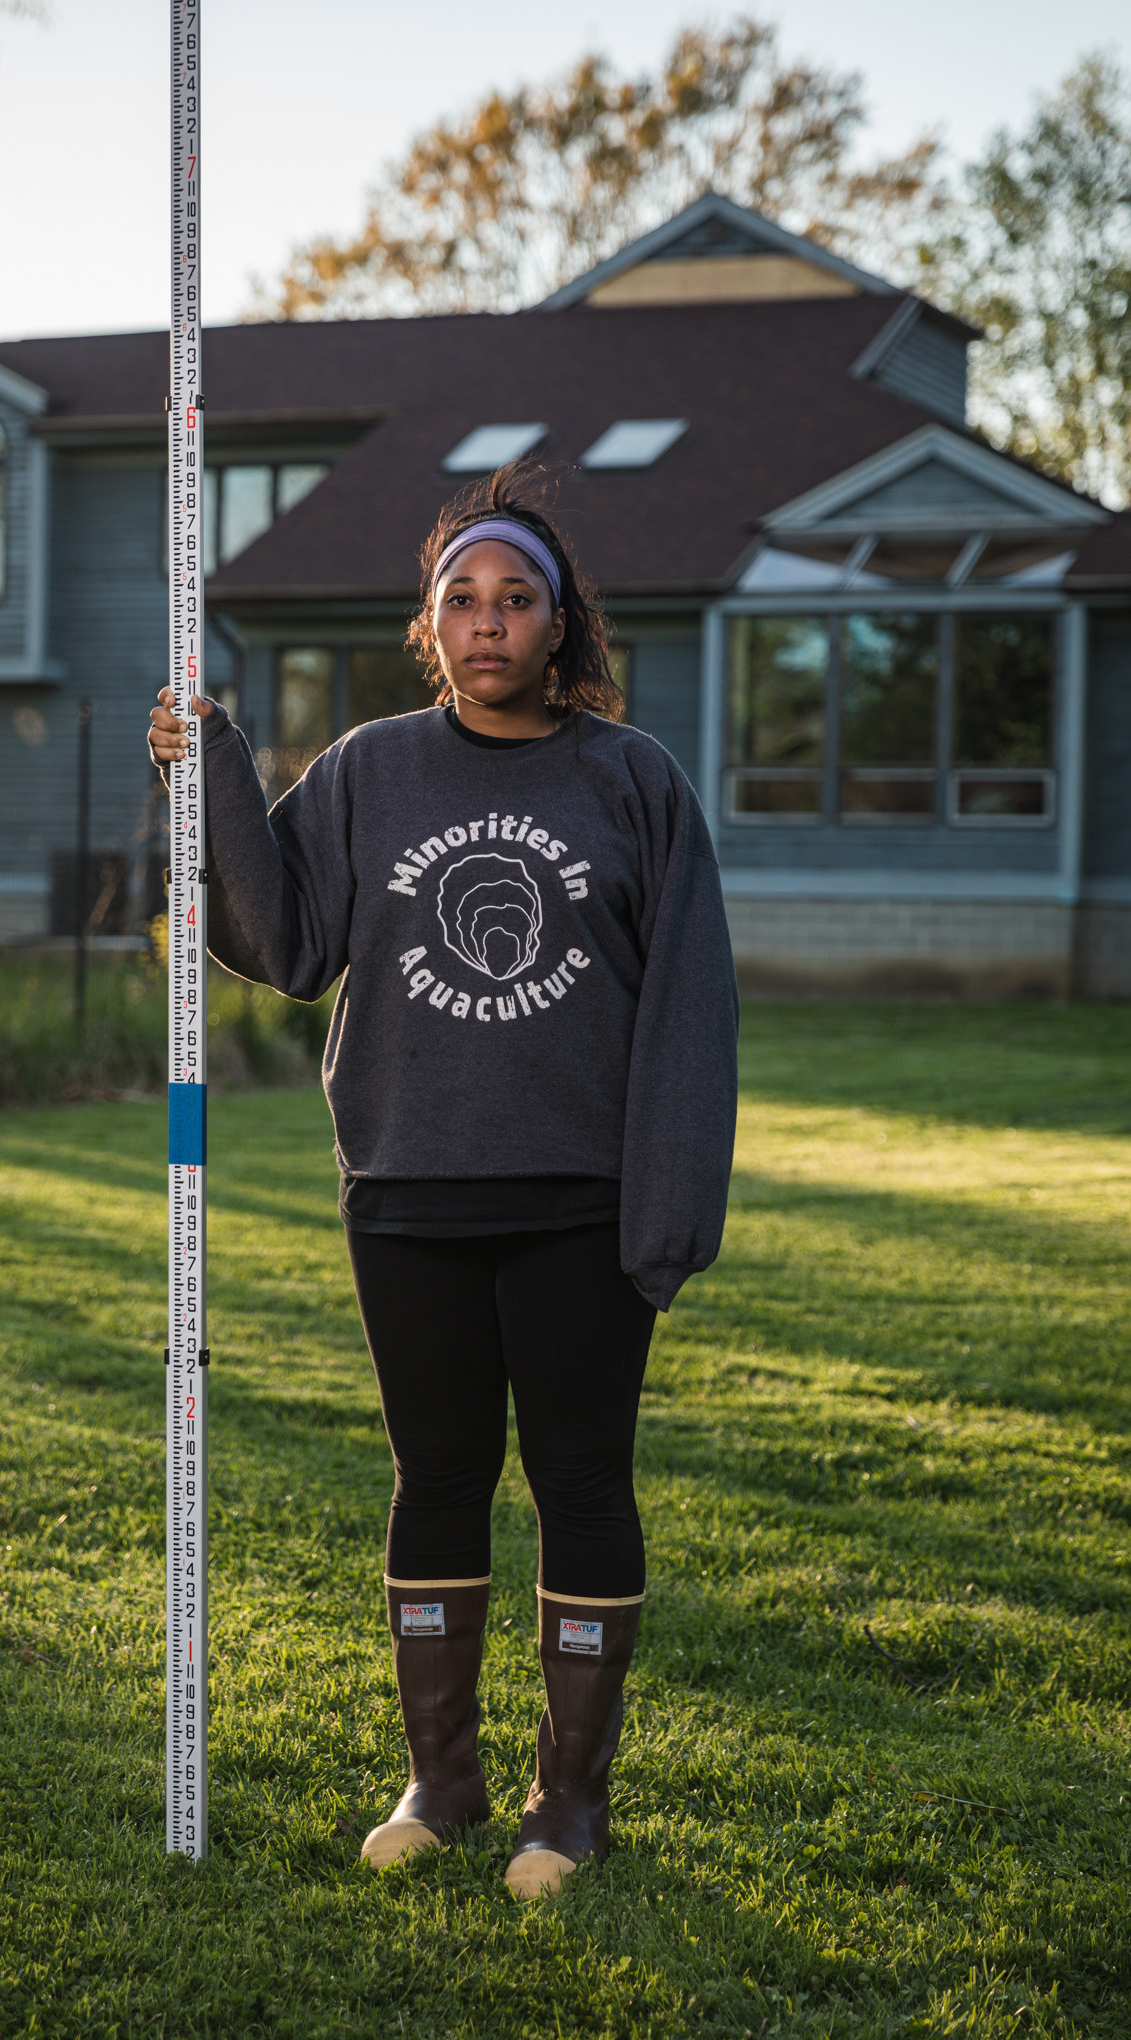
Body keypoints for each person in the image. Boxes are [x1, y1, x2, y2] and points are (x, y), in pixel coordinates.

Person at [149, 466, 738, 1899]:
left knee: (581, 1480)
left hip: (578, 1197)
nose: (486, 623)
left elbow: (689, 1011)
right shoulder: (366, 771)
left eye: (514, 598)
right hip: (406, 1189)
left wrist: (668, 1203)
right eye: (459, 600)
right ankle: (444, 1778)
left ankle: (567, 1803)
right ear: (429, 626)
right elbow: (284, 940)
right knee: (436, 1478)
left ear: (558, 624)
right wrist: (206, 768)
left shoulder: (631, 781)